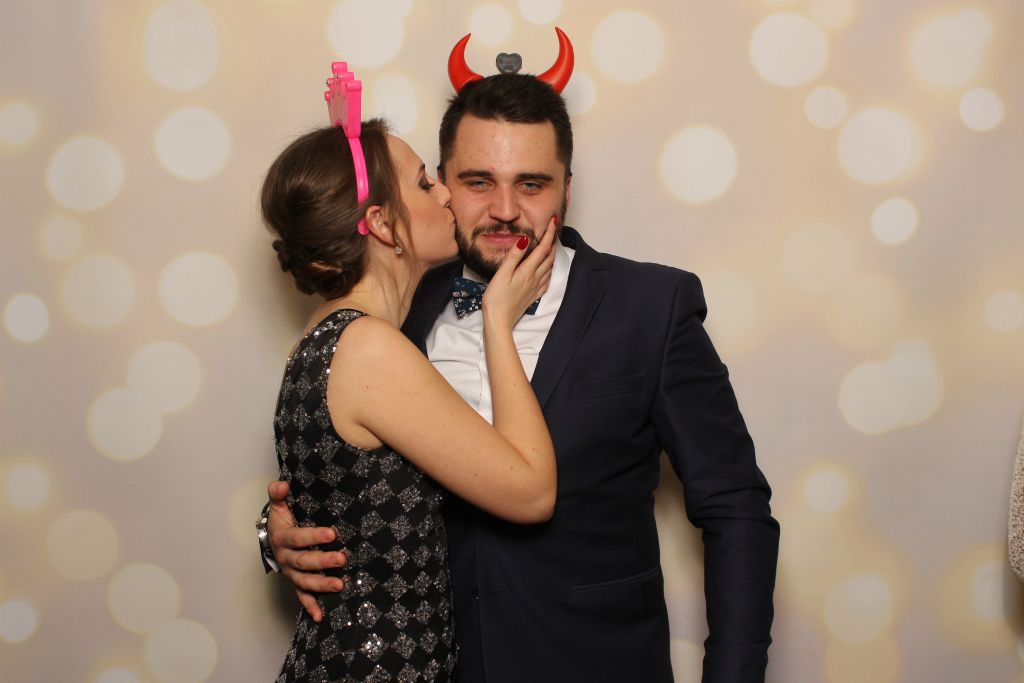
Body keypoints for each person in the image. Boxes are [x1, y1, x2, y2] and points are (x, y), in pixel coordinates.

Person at [266, 36, 779, 682]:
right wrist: (281, 536)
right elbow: (354, 467)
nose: (505, 210)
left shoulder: (651, 308)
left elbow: (735, 508)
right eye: (477, 182)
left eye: (531, 184)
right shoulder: (395, 312)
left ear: (567, 189)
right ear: (443, 187)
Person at [261, 63, 561, 682]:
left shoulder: (327, 337)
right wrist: (497, 321)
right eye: (426, 183)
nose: (447, 195)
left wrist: (274, 532)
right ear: (380, 224)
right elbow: (531, 491)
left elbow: (345, 499)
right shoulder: (371, 348)